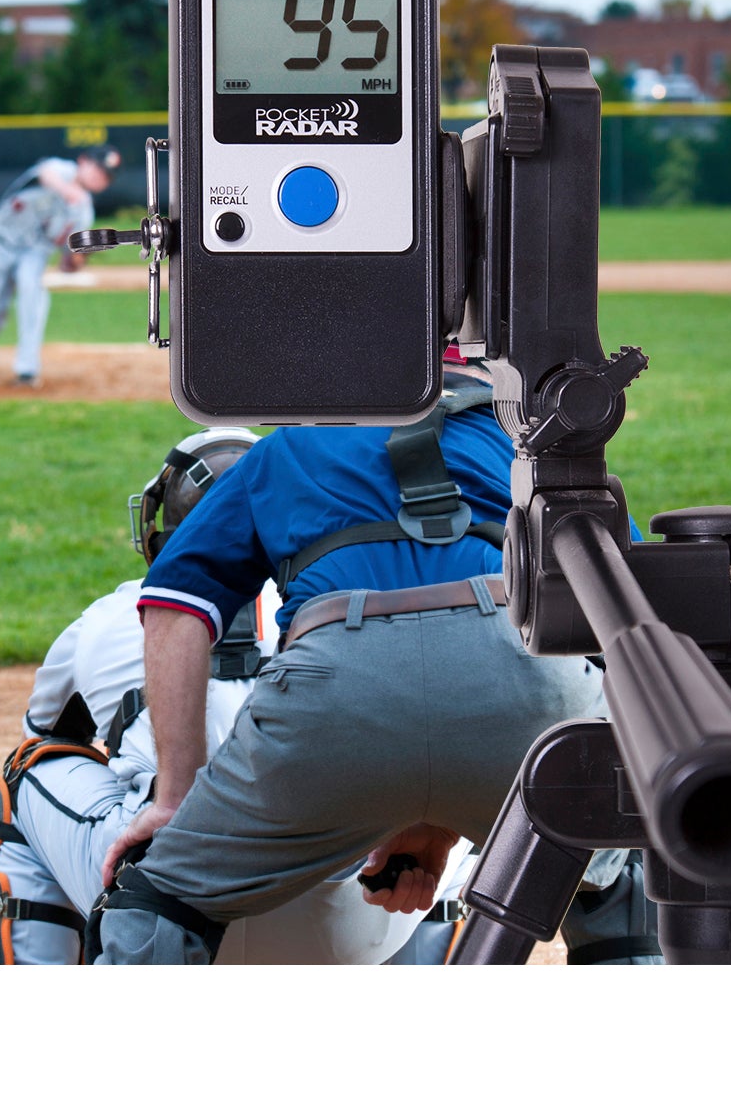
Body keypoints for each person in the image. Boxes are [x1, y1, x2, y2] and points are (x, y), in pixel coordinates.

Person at [90, 354, 661, 965]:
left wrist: (174, 801)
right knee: (616, 874)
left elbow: (175, 605)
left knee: (161, 903)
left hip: (332, 704)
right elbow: (630, 613)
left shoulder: (285, 451)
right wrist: (457, 808)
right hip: (527, 693)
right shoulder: (539, 452)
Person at [0, 428, 476, 965]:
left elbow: (47, 730)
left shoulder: (111, 616)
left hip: (164, 911)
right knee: (447, 795)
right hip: (359, 914)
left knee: (24, 773)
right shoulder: (350, 600)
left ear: (160, 531)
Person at [0, 144, 120, 386]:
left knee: (32, 290)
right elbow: (45, 173)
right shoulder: (60, 169)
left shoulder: (83, 213)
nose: (98, 176)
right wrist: (68, 191)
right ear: (82, 161)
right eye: (97, 168)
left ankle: (27, 370)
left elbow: (67, 262)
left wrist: (75, 262)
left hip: (34, 251)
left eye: (105, 176)